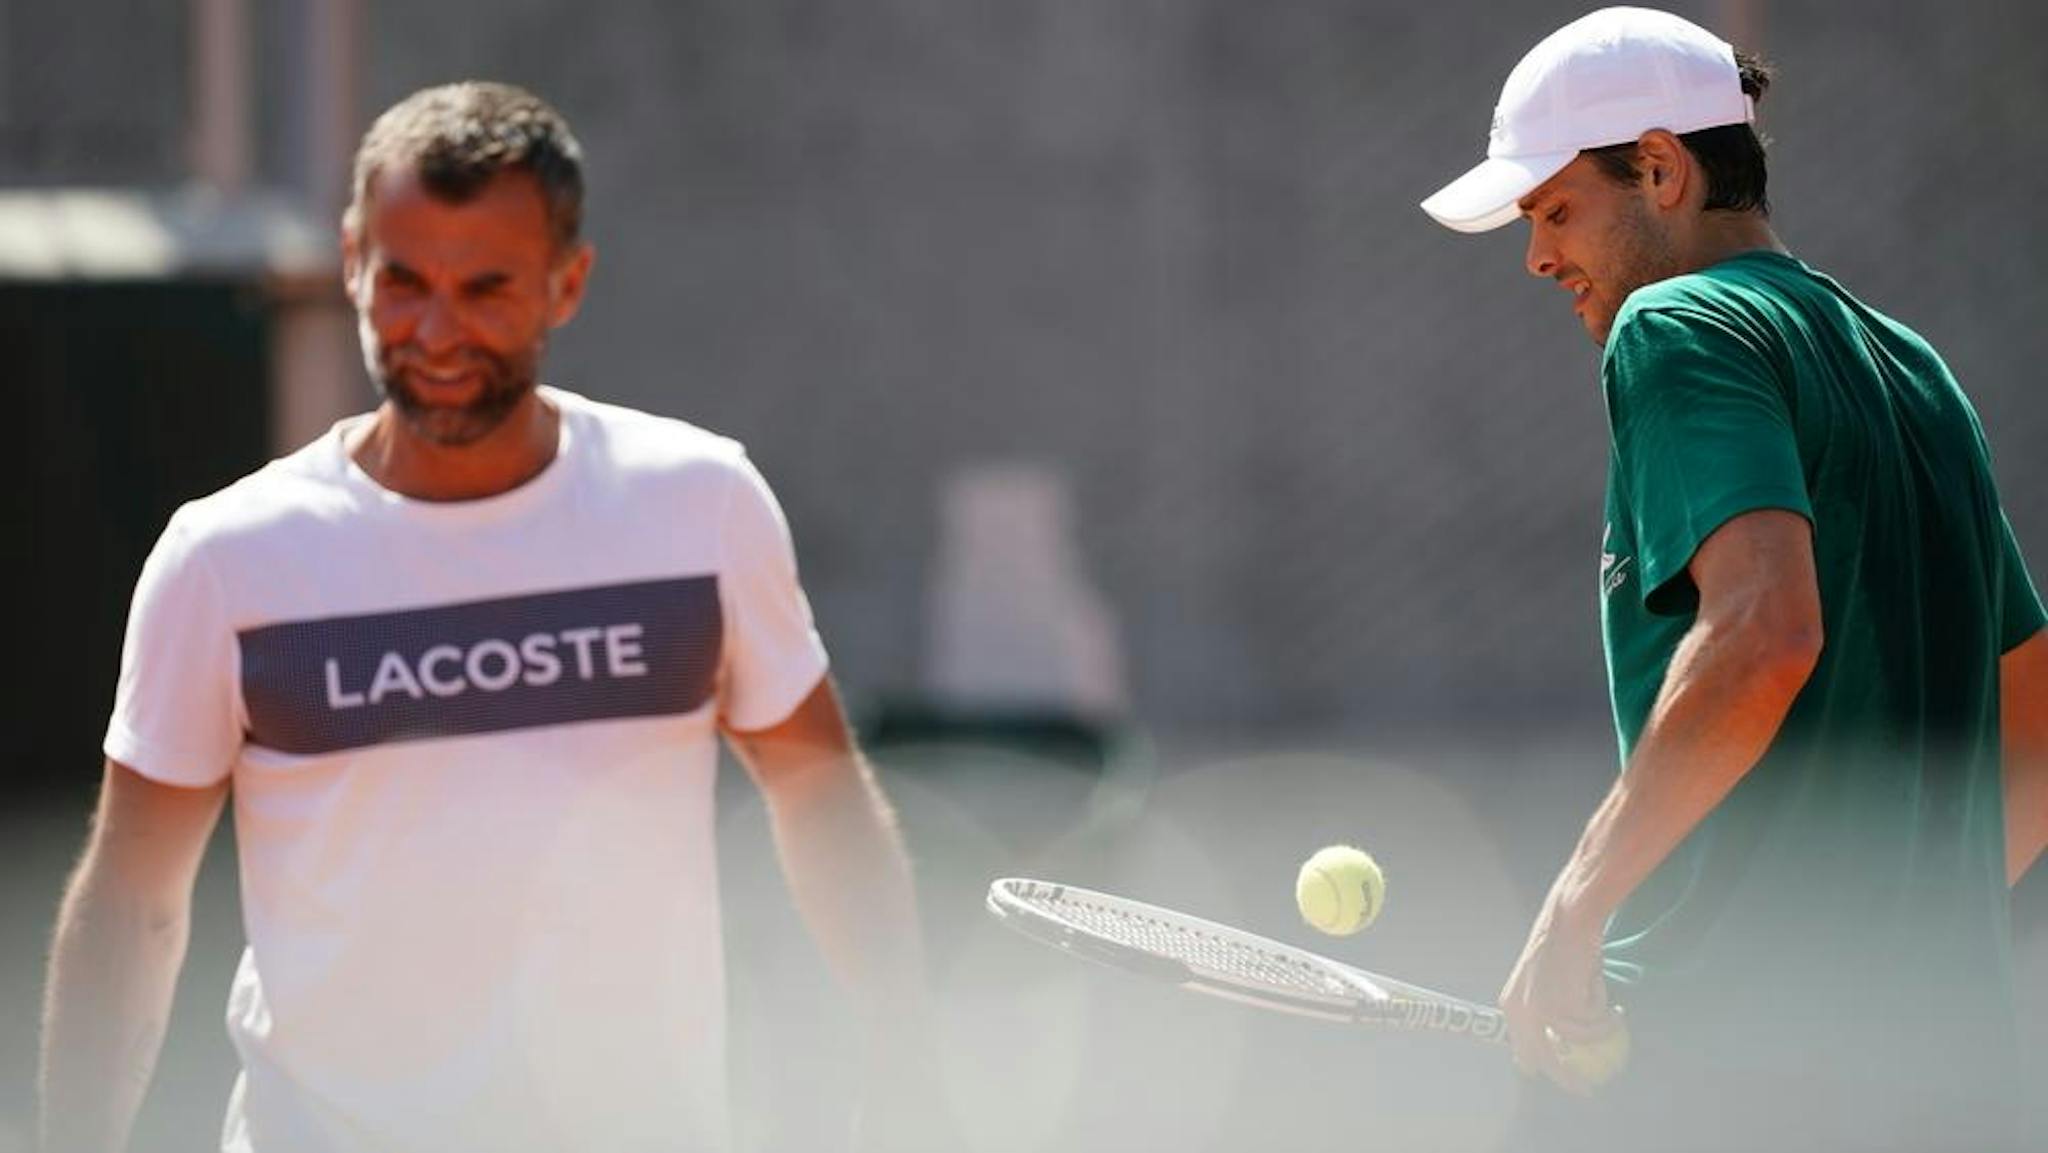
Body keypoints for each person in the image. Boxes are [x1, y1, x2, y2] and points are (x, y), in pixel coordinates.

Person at [39, 82, 944, 1153]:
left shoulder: (698, 504)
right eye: (404, 281)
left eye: (486, 288)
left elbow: (819, 797)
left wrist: (904, 1060)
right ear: (350, 262)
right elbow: (136, 895)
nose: (436, 330)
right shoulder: (228, 558)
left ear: (569, 283)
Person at [1422, 8, 2048, 1151]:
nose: (1537, 255)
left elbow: (1762, 632)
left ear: (1658, 169)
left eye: (1555, 210)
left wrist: (1574, 910)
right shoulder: (1911, 364)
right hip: (1955, 1081)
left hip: (1727, 1074)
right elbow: (2038, 719)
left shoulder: (1672, 326)